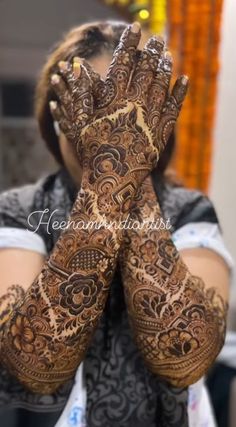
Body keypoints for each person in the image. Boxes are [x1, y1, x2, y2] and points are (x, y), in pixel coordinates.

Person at [0, 20, 232, 427]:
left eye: (132, 113)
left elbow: (184, 358)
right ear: (59, 120)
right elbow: (36, 362)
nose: (114, 129)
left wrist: (127, 169)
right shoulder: (20, 210)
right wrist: (110, 175)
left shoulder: (189, 211)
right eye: (95, 109)